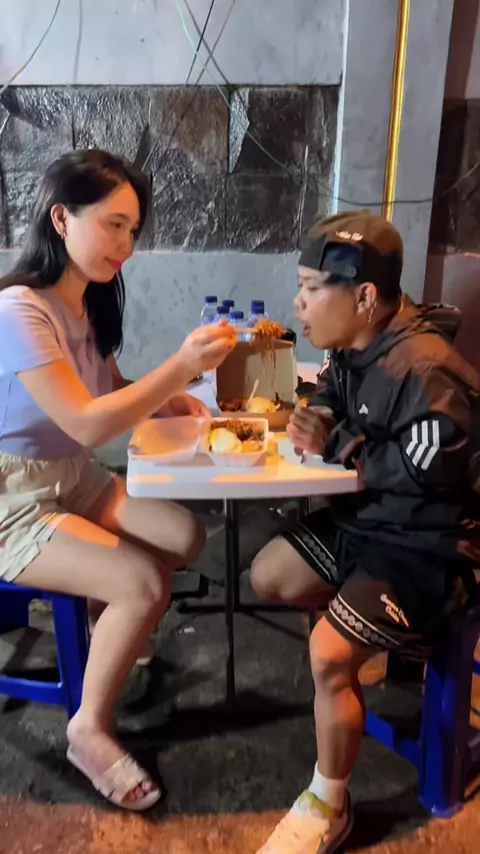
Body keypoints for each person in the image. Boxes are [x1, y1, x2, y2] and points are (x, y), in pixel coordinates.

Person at [0, 149, 237, 811]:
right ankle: (88, 729)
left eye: (132, 230)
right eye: (112, 225)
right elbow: (84, 420)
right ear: (61, 218)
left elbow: (107, 389)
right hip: (13, 498)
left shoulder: (89, 301)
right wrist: (179, 366)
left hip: (72, 478)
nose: (125, 246)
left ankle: (108, 624)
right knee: (144, 583)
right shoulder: (19, 310)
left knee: (185, 535)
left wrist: (169, 398)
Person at [252, 210, 480, 853]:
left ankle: (328, 804)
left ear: (364, 297)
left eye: (310, 288)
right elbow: (331, 386)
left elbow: (428, 474)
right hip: (371, 521)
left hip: (428, 547)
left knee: (326, 654)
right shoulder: (355, 342)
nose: (297, 304)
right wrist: (321, 415)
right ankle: (363, 639)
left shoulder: (426, 369)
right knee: (269, 573)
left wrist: (340, 442)